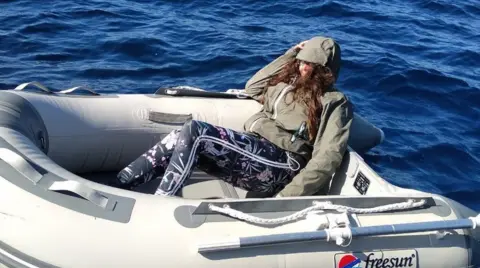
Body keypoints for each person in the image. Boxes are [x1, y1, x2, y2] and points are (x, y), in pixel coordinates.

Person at [114, 35, 353, 197]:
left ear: (325, 69)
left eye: (311, 64)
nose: (303, 68)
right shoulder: (288, 83)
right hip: (257, 149)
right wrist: (290, 54)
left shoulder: (333, 101)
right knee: (180, 135)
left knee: (196, 132)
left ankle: (162, 202)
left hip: (283, 164)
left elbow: (327, 157)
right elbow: (253, 88)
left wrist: (286, 197)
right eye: (302, 62)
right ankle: (121, 184)